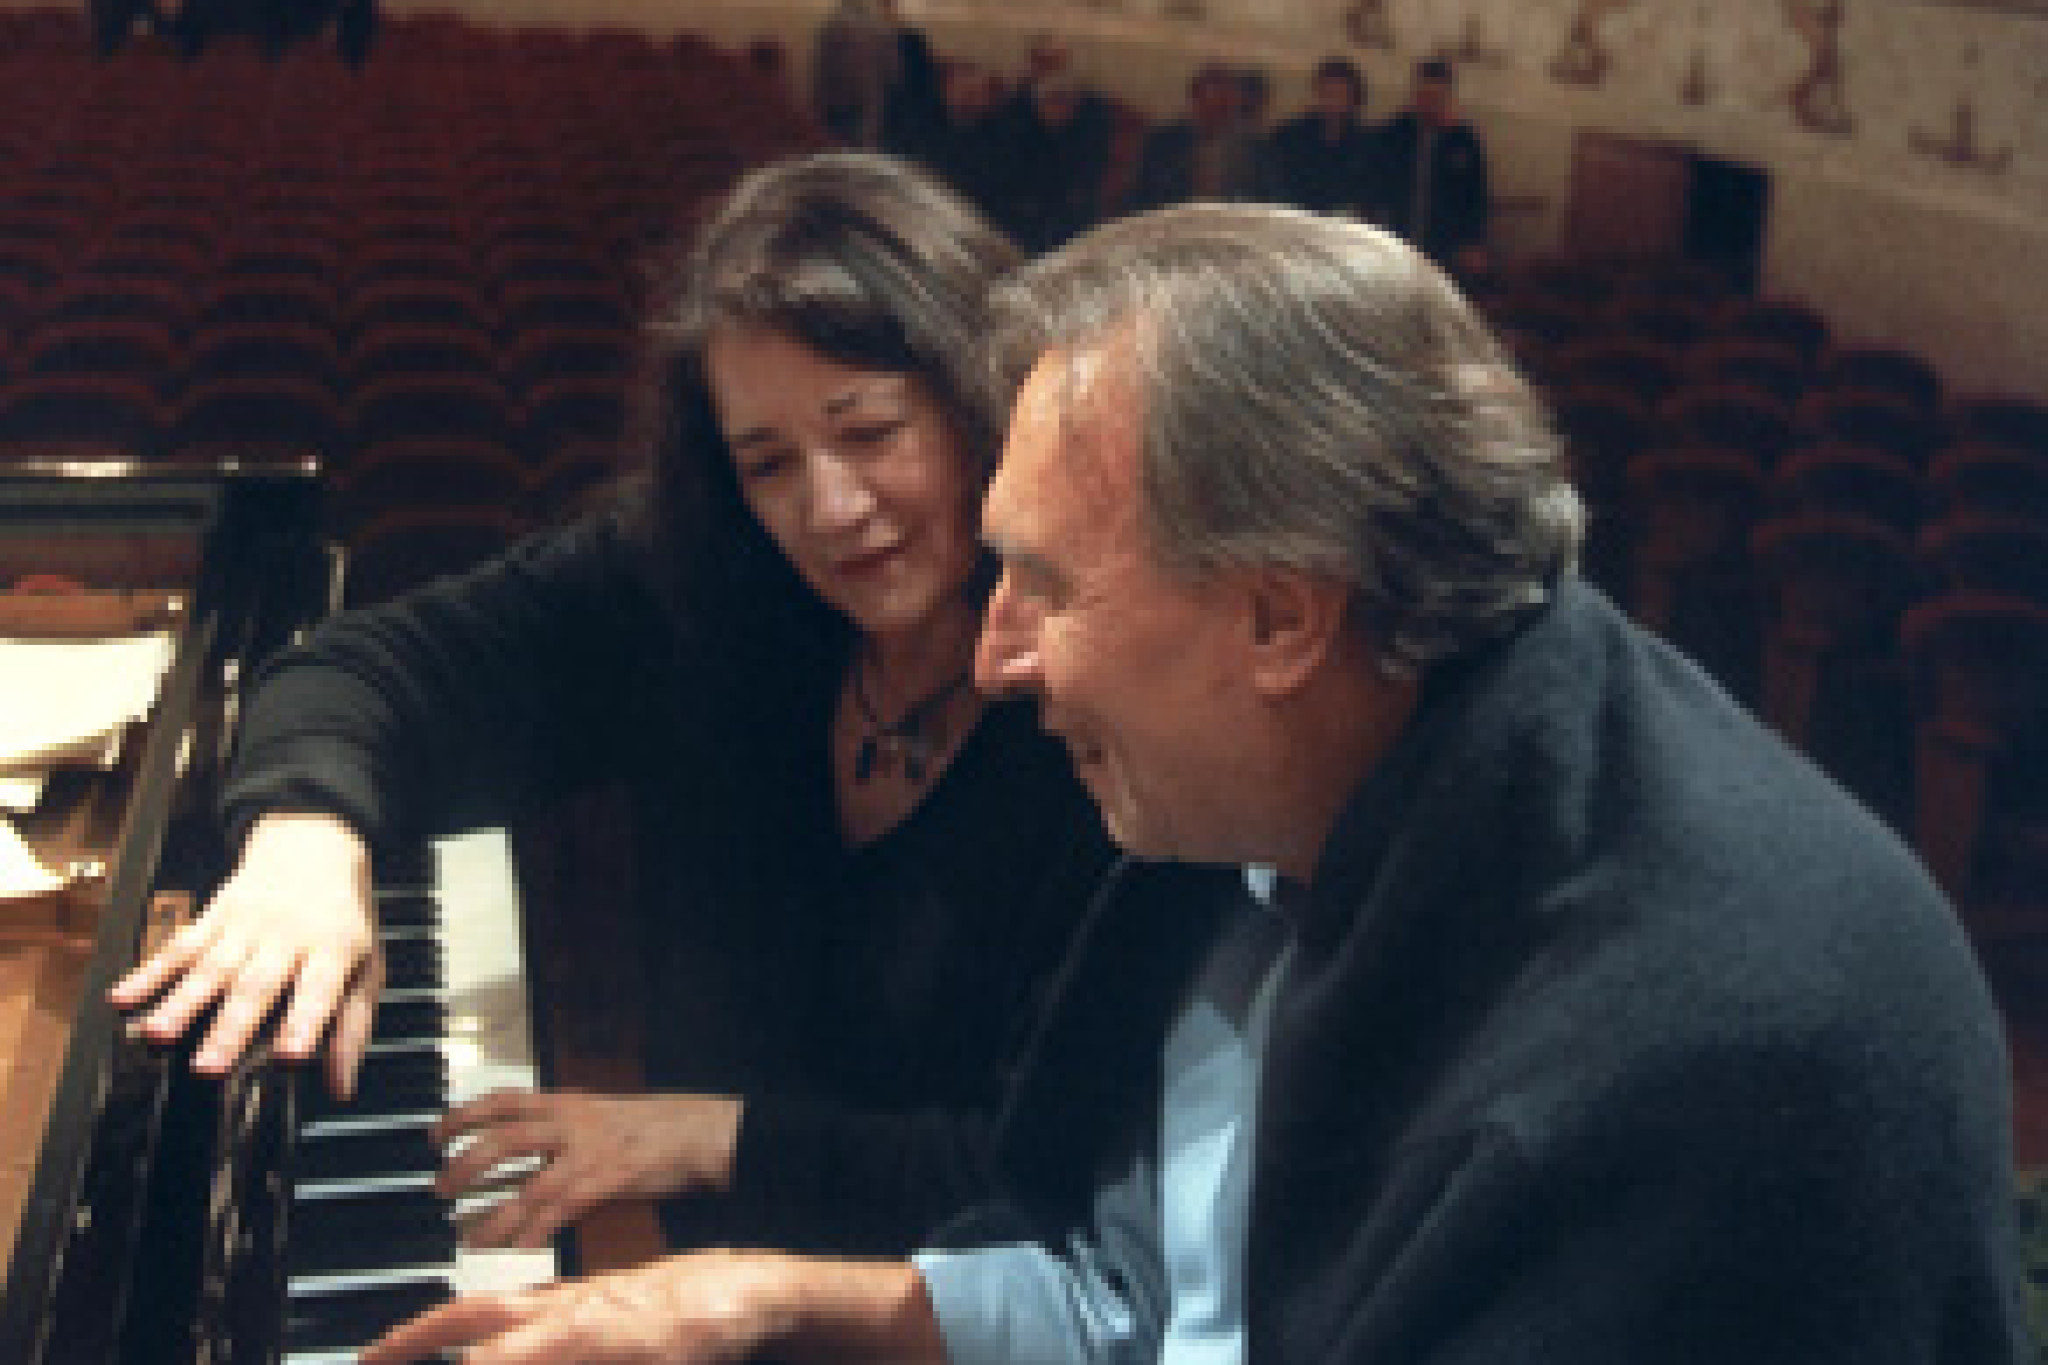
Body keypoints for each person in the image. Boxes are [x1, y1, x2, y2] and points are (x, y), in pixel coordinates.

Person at [358, 206, 2029, 1363]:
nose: (995, 655)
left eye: (1042, 584)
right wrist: (750, 1300)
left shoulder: (1695, 1069)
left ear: (1278, 616)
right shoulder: (1279, 816)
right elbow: (1140, 1312)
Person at [109, 151, 1116, 1259]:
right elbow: (371, 667)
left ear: (981, 405)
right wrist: (306, 839)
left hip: (940, 1303)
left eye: (870, 432)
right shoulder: (700, 580)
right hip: (688, 1252)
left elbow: (1065, 1180)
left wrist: (713, 1139)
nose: (829, 507)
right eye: (767, 463)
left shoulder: (1104, 712)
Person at [1376, 56, 1490, 274]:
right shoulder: (1391, 135)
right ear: (1414, 95)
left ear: (1448, 98)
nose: (1429, 105)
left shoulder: (1464, 142)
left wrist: (1472, 241)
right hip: (1395, 239)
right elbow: (1375, 187)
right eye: (1424, 96)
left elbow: (1475, 197)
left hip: (1445, 246)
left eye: (1436, 98)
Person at [1121, 61, 1276, 214]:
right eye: (1210, 104)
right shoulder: (1164, 144)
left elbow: (1269, 200)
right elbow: (1142, 197)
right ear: (1195, 99)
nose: (1217, 113)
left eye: (1225, 106)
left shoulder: (1255, 150)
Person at [1267, 55, 1387, 219]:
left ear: (1355, 99)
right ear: (1317, 94)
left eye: (1341, 95)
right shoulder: (1289, 138)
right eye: (1328, 94)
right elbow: (1278, 189)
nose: (1334, 102)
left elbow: (1371, 197)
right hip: (1296, 222)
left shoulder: (1370, 145)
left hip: (1346, 226)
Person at [810, 0, 899, 148]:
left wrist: (819, 104)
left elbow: (822, 70)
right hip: (869, 97)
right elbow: (892, 68)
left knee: (844, 147)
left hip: (842, 100)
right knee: (868, 141)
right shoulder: (878, 25)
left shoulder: (832, 25)